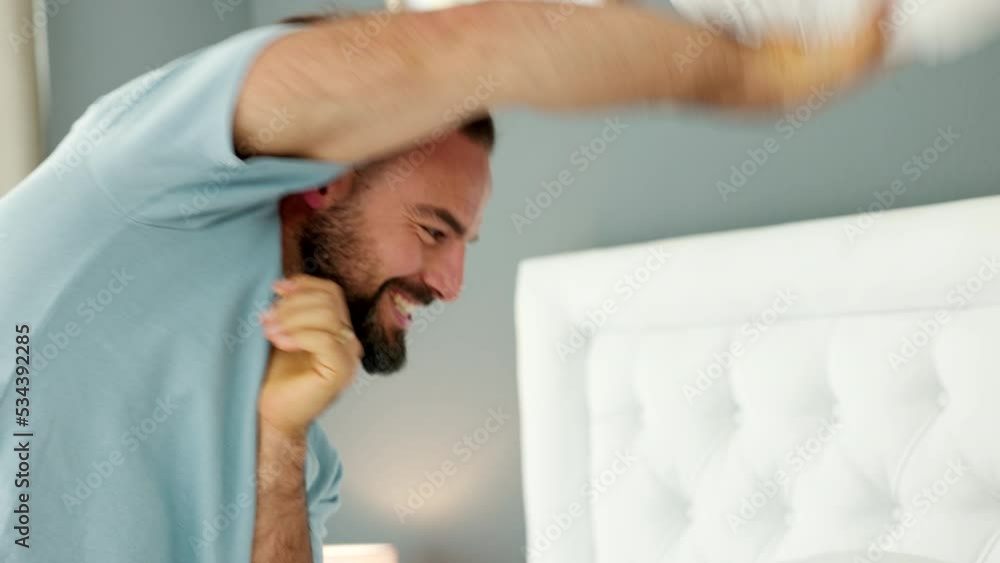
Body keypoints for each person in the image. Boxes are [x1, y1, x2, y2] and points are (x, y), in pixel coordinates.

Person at [0, 2, 888, 562]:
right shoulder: (141, 170)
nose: (453, 283)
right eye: (434, 230)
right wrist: (757, 69)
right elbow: (455, 50)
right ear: (325, 178)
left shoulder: (305, 457)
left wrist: (279, 444)